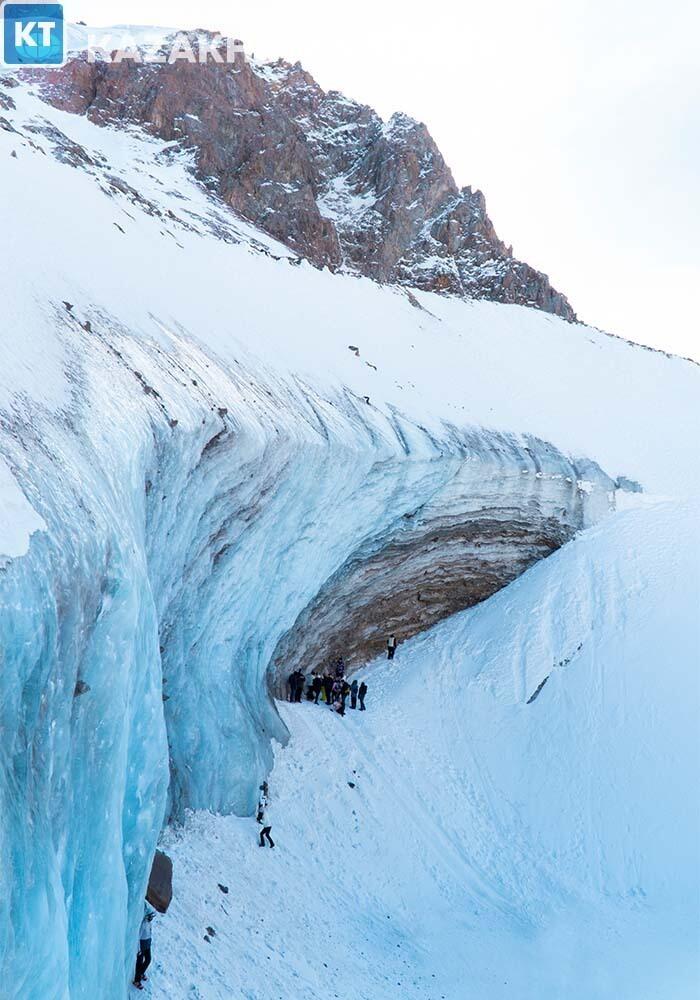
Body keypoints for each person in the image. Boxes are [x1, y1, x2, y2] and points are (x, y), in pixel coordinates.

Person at [133, 904, 155, 990]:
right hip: (141, 945)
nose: (151, 918)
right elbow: (138, 936)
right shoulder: (142, 924)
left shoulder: (149, 923)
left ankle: (141, 973)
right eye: (150, 916)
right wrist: (138, 949)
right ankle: (137, 981)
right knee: (139, 963)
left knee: (148, 959)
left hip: (147, 943)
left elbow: (149, 933)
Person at [257, 782, 275, 848]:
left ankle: (265, 844)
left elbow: (261, 818)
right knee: (265, 834)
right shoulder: (264, 811)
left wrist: (258, 819)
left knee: (263, 834)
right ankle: (271, 844)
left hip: (267, 826)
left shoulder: (263, 811)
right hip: (269, 826)